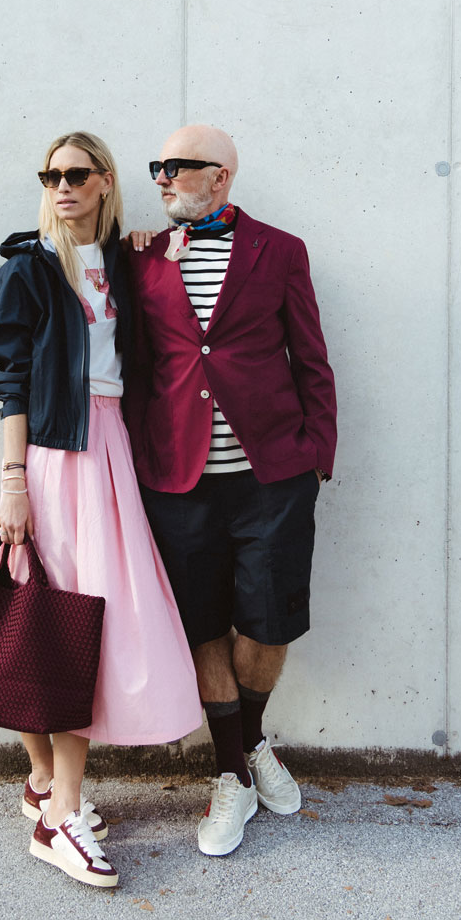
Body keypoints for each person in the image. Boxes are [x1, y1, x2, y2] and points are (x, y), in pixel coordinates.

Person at [0, 130, 201, 889]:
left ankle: (48, 784)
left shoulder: (123, 262)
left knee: (81, 620)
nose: (63, 187)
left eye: (77, 174)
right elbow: (9, 379)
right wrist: (13, 480)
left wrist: (143, 244)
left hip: (112, 449)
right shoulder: (29, 267)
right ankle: (59, 813)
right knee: (51, 619)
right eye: (51, 176)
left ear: (105, 180)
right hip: (56, 455)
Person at [125, 124, 337, 857]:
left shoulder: (281, 250)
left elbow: (311, 357)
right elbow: (135, 364)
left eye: (177, 166)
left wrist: (317, 457)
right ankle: (232, 772)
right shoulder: (142, 257)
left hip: (272, 476)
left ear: (220, 175)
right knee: (203, 626)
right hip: (177, 477)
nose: (161, 177)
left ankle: (246, 742)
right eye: (157, 166)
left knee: (269, 624)